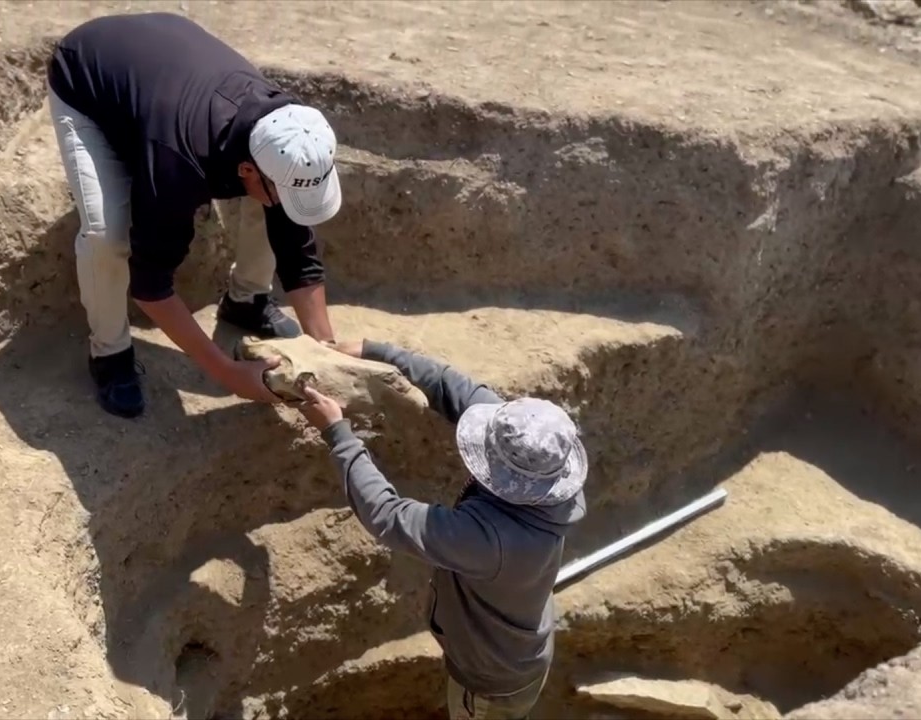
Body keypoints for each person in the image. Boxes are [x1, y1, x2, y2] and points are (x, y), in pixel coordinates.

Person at [46, 12, 343, 418]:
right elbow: (150, 284)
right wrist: (227, 372)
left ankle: (247, 301)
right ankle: (109, 354)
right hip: (87, 72)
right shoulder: (180, 161)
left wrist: (325, 352)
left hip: (166, 64)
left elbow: (296, 245)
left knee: (276, 204)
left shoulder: (288, 130)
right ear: (247, 170)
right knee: (107, 235)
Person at [297, 340, 588, 720]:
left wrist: (337, 433)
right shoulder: (546, 467)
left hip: (491, 685)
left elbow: (387, 514)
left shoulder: (492, 541)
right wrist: (373, 350)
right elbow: (450, 385)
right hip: (519, 655)